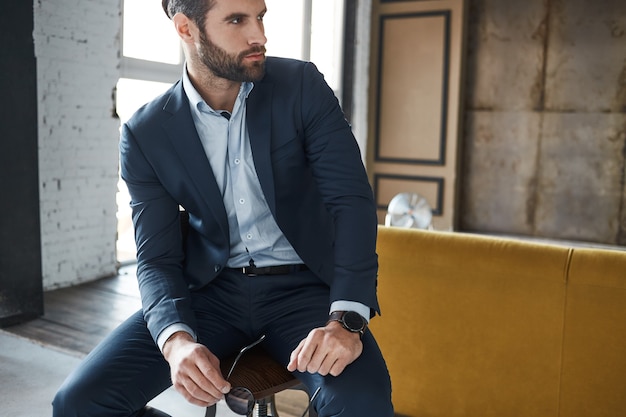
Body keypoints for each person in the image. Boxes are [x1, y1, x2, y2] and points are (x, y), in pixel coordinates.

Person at [53, 0, 393, 415]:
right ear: (186, 29)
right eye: (236, 20)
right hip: (211, 294)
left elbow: (351, 204)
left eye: (260, 17)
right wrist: (175, 340)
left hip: (306, 290)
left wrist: (346, 321)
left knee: (361, 404)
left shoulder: (301, 85)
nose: (260, 36)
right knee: (78, 403)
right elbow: (157, 258)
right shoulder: (146, 133)